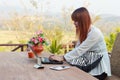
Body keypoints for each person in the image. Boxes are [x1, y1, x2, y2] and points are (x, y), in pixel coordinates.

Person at [49, 7, 111, 80]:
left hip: (98, 69)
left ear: (83, 21)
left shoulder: (95, 33)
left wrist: (62, 58)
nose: (74, 23)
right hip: (88, 61)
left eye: (77, 21)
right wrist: (62, 57)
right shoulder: (84, 31)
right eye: (74, 20)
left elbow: (80, 50)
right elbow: (77, 48)